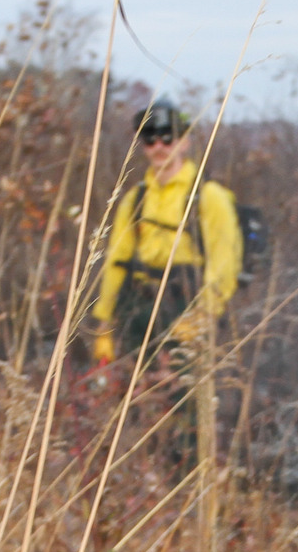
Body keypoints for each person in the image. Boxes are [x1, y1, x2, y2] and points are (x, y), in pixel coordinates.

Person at [88, 100, 242, 369]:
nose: (159, 146)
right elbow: (116, 262)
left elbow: (223, 264)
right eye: (149, 138)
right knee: (134, 400)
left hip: (186, 306)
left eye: (168, 137)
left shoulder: (209, 197)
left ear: (184, 142)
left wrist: (200, 319)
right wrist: (104, 324)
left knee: (182, 401)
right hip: (136, 309)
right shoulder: (135, 199)